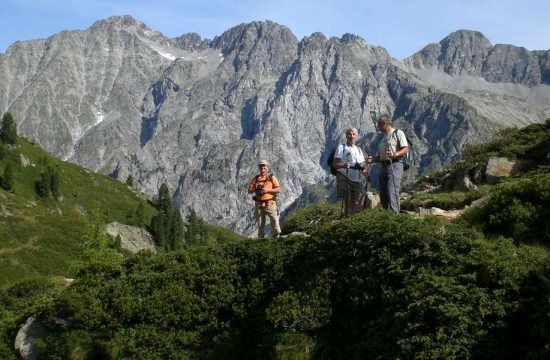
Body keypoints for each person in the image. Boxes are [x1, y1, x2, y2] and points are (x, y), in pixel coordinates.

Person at [367, 114, 409, 212]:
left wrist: (396, 154)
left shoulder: (398, 133)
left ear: (385, 123)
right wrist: (372, 160)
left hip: (395, 164)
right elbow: (380, 156)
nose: (378, 127)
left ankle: (395, 216)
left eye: (379, 124)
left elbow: (406, 148)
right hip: (384, 166)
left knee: (392, 191)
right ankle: (387, 215)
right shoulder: (383, 138)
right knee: (383, 193)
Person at [332, 128, 367, 216]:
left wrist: (367, 175)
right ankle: (348, 219)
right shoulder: (341, 147)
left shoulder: (359, 150)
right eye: (349, 134)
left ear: (356, 136)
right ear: (346, 136)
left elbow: (361, 166)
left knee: (355, 201)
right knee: (348, 200)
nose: (351, 136)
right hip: (344, 176)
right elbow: (335, 164)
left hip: (356, 178)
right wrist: (343, 165)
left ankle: (351, 219)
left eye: (353, 134)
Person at [248, 160, 281, 238]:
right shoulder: (255, 178)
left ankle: (277, 235)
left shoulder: (271, 177)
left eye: (264, 166)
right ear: (259, 167)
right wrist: (255, 189)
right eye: (261, 166)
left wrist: (267, 190)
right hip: (259, 204)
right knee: (260, 222)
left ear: (267, 167)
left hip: (270, 203)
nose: (262, 168)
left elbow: (278, 189)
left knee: (274, 220)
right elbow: (249, 191)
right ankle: (261, 238)